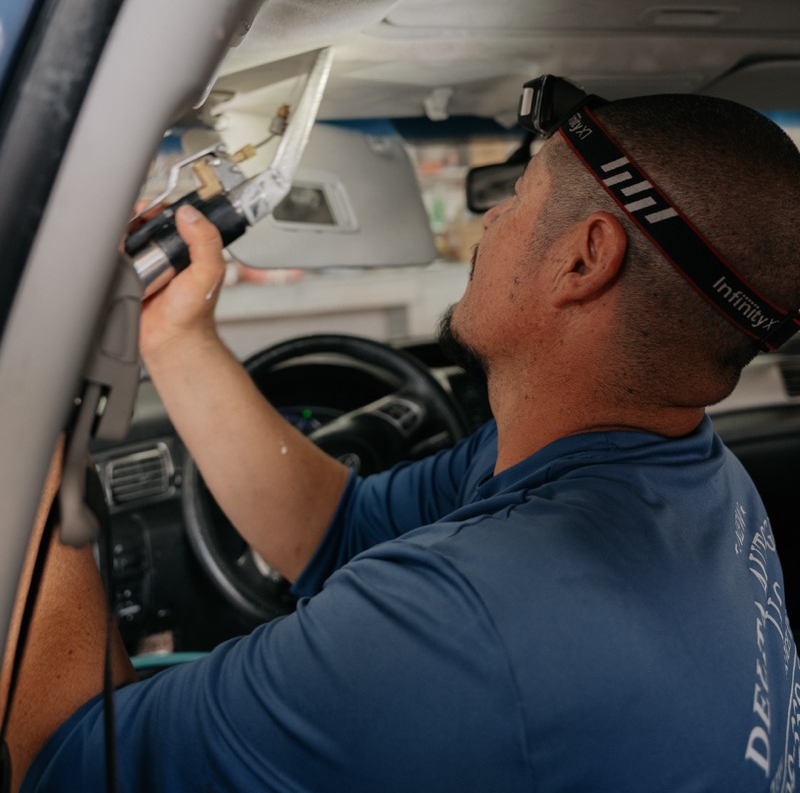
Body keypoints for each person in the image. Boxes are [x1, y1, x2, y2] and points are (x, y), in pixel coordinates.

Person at [5, 89, 800, 792]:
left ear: (584, 259)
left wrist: (26, 385)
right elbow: (337, 531)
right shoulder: (684, 476)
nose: (491, 218)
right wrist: (177, 338)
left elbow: (56, 763)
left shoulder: (481, 620)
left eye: (517, 195)